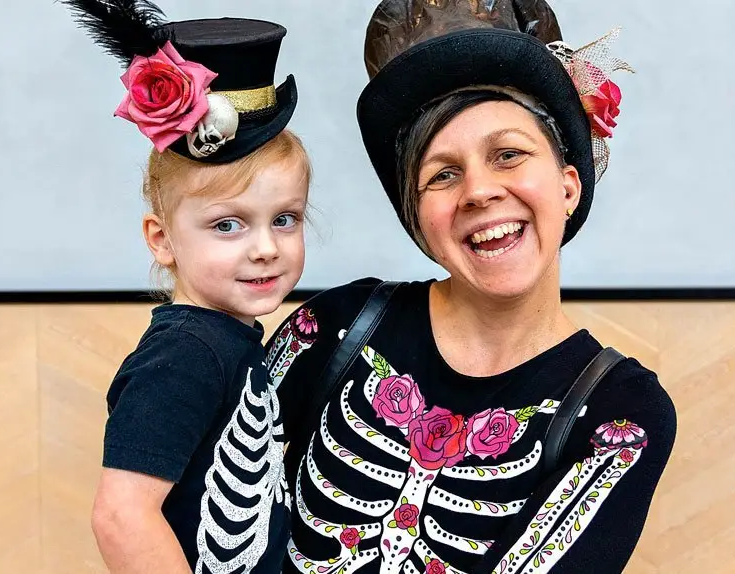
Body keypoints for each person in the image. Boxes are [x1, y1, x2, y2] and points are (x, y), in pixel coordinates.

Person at [266, 1, 676, 573]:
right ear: (418, 217)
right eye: (443, 174)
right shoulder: (335, 325)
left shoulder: (622, 414)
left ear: (568, 186)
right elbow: (195, 486)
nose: (479, 192)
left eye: (508, 155)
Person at [62, 2, 310, 572]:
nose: (266, 247)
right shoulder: (184, 356)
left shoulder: (230, 338)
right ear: (162, 239)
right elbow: (122, 515)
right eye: (228, 224)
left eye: (285, 218)